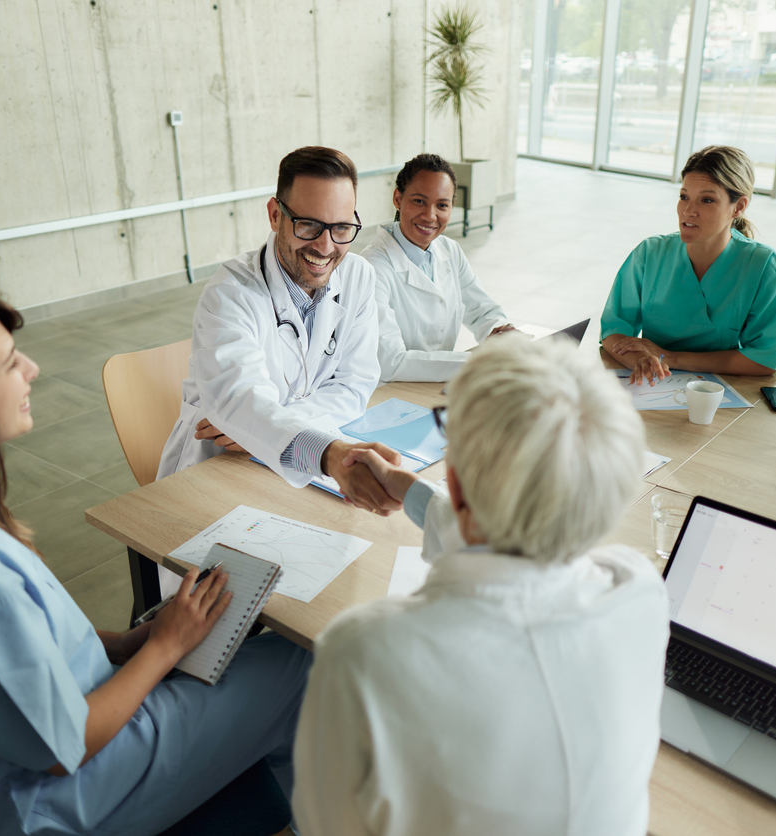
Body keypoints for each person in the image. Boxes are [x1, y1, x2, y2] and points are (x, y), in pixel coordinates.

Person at [0, 281, 311, 836]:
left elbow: (18, 650)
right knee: (310, 664)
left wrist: (125, 644)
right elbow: (63, 747)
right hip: (70, 793)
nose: (33, 368)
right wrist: (166, 646)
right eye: (7, 363)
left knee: (268, 667)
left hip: (53, 740)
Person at [291, 337, 669, 836]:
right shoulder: (638, 587)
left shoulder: (362, 654)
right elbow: (525, 535)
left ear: (459, 485)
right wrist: (412, 493)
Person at [156, 146, 399, 514]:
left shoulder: (359, 275)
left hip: (287, 462)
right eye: (309, 225)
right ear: (275, 215)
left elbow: (355, 385)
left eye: (342, 228)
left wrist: (260, 430)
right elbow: (242, 401)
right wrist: (324, 452)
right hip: (215, 469)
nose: (325, 245)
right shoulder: (230, 295)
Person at [600, 145, 776, 384]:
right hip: (652, 387)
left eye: (707, 200)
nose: (688, 211)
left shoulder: (763, 266)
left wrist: (671, 358)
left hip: (719, 394)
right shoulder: (650, 253)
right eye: (684, 197)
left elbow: (764, 359)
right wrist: (641, 361)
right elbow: (613, 331)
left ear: (739, 206)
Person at [359, 153, 513, 382]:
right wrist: (479, 363)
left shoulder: (449, 250)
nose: (430, 216)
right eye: (419, 201)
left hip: (438, 384)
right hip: (389, 393)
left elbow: (482, 311)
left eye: (442, 205)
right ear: (397, 199)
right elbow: (391, 362)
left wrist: (501, 335)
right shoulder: (372, 267)